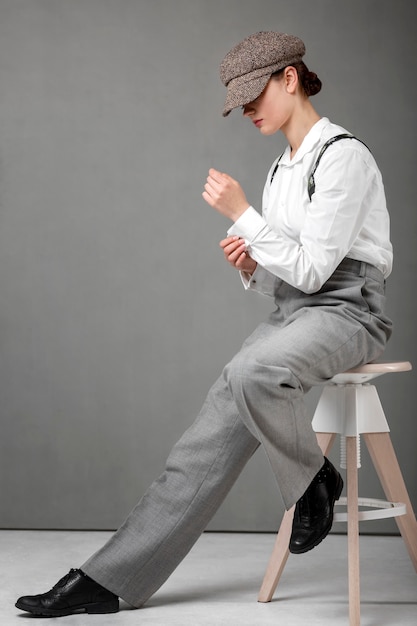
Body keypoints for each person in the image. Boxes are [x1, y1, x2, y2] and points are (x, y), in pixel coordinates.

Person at [15, 31, 392, 617]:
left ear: (289, 78)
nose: (246, 109)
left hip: (350, 311)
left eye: (254, 93)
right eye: (239, 100)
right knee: (203, 441)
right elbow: (288, 277)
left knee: (253, 370)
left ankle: (315, 479)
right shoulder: (280, 169)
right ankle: (111, 578)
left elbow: (320, 273)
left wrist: (244, 214)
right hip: (296, 311)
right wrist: (252, 266)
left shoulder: (342, 156)